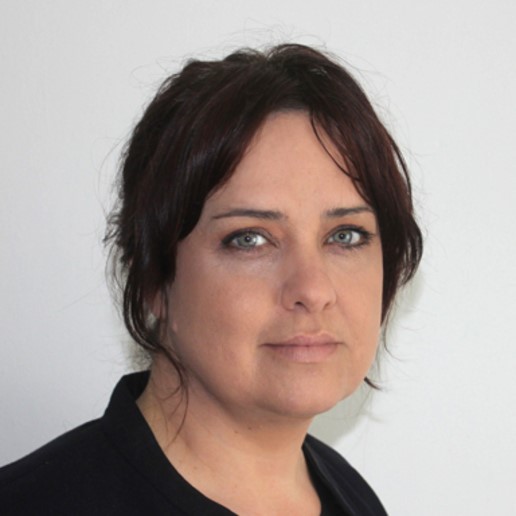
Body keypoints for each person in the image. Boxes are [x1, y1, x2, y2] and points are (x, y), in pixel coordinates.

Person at [0, 43, 422, 515]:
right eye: (249, 239)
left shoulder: (351, 497)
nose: (313, 289)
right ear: (153, 276)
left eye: (346, 235)